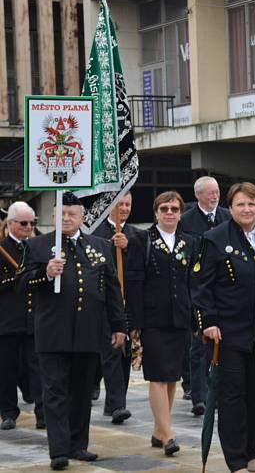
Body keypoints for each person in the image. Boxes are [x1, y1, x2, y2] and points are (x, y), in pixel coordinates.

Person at [16, 192, 126, 471]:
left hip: (89, 331)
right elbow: (22, 283)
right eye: (61, 214)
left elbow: (111, 290)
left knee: (82, 391)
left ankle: (78, 444)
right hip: (53, 333)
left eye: (72, 214)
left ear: (82, 217)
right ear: (53, 216)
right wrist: (46, 274)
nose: (66, 219)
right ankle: (59, 450)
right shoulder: (39, 245)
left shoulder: (100, 245)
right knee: (55, 391)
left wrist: (118, 326)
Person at [194, 182, 255, 473]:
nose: (247, 209)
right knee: (232, 395)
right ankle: (236, 459)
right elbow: (200, 287)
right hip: (226, 333)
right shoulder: (214, 239)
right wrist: (208, 321)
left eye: (252, 204)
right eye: (241, 204)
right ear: (230, 207)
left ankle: (250, 453)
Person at [126, 191, 196, 457]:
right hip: (152, 319)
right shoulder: (141, 240)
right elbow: (133, 283)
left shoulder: (189, 242)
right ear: (155, 212)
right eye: (164, 208)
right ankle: (168, 434)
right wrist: (133, 321)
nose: (169, 213)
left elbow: (193, 283)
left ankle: (158, 429)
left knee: (171, 377)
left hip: (180, 318)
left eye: (174, 209)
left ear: (181, 213)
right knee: (156, 375)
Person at [91, 191, 147, 425]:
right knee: (112, 351)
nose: (124, 208)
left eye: (128, 204)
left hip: (130, 303)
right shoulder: (97, 232)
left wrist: (128, 247)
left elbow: (144, 265)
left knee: (124, 354)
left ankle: (115, 401)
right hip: (105, 303)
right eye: (120, 204)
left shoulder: (138, 235)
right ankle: (117, 404)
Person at [180, 175, 231, 414]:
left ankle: (217, 391)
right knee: (198, 345)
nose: (215, 196)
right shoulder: (186, 220)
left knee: (218, 346)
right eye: (210, 192)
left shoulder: (226, 217)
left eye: (217, 191)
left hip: (221, 291)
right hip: (196, 290)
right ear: (198, 195)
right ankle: (198, 396)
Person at [0, 201, 44, 430]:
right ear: (10, 224)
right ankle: (8, 412)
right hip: (8, 320)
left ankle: (42, 412)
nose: (29, 227)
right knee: (7, 368)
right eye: (24, 223)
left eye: (32, 223)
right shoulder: (2, 248)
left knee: (37, 368)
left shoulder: (39, 246)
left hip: (35, 318)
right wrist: (16, 277)